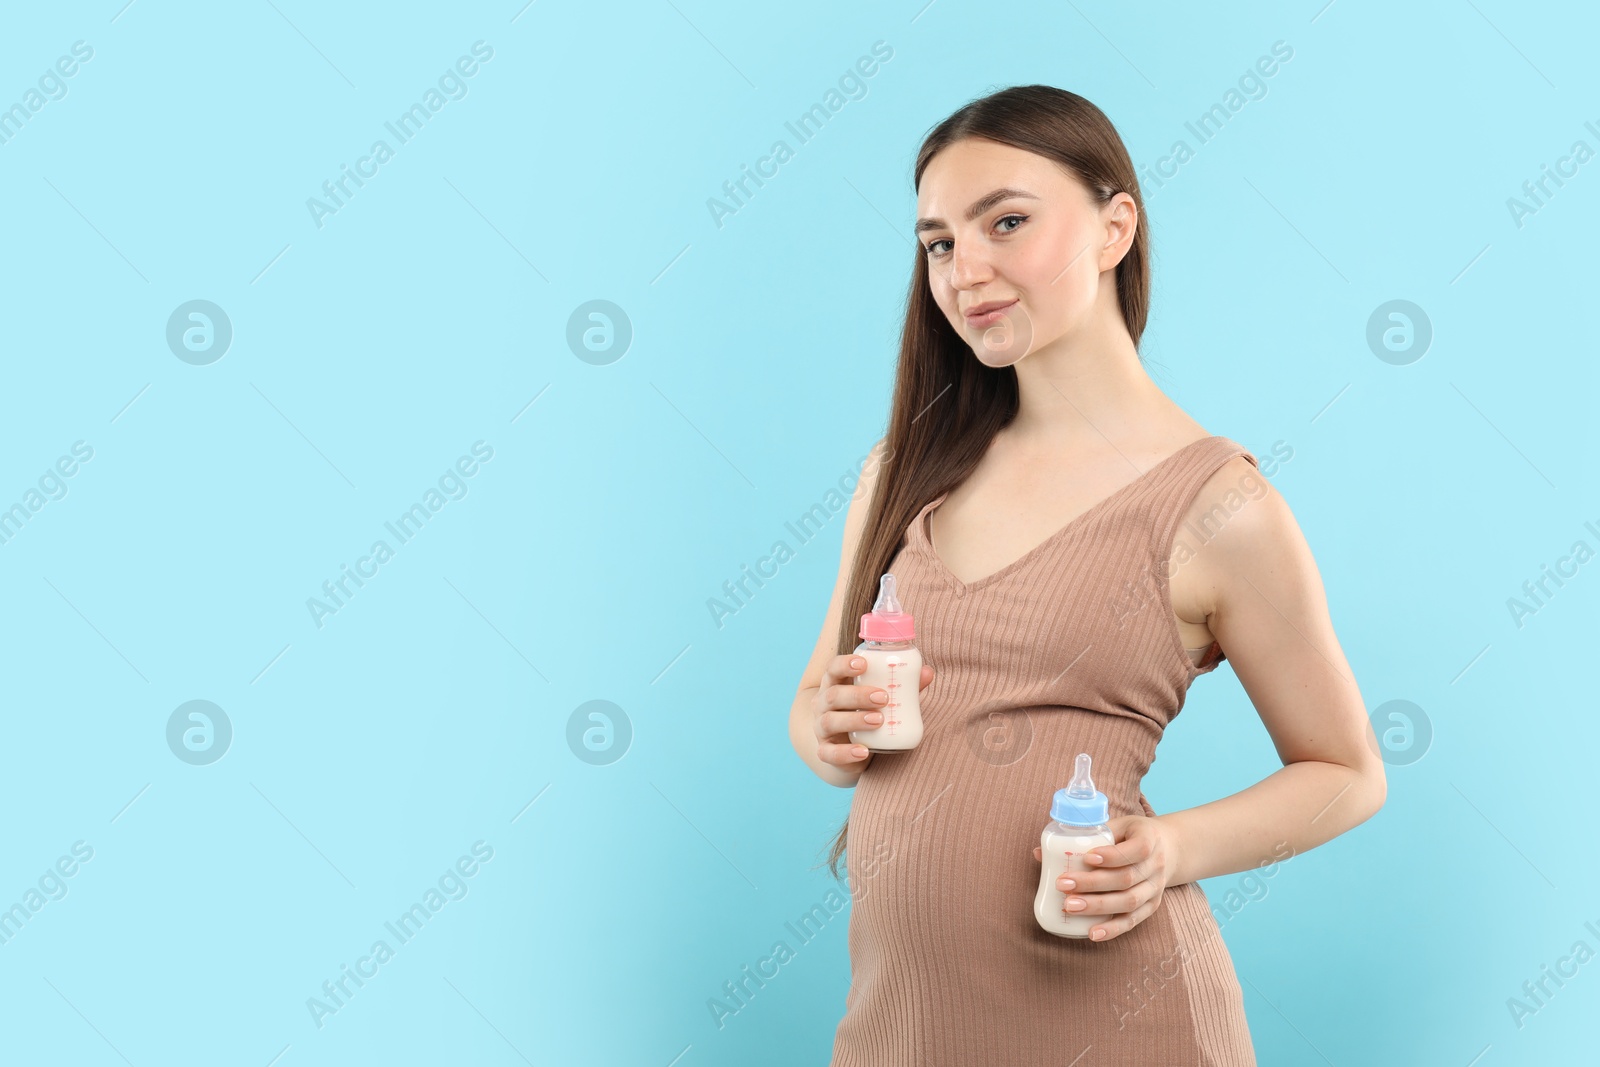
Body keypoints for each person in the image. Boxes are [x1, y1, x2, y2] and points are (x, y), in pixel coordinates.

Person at [786, 85, 1386, 1066]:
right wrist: (827, 721)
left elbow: (1347, 771)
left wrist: (1170, 850)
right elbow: (816, 710)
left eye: (1006, 222)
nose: (962, 269)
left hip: (1123, 1025)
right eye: (938, 242)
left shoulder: (1216, 505)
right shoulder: (901, 470)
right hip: (902, 1028)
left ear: (1115, 227)